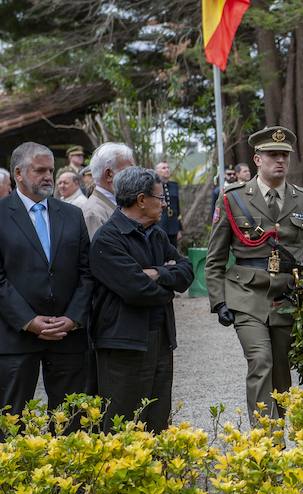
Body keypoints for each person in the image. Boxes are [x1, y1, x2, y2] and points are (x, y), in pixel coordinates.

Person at [206, 126, 303, 421]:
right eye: (272, 155)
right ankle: (264, 440)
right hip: (246, 294)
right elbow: (215, 256)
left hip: (286, 296)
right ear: (257, 159)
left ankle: (277, 434)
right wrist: (219, 300)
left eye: (284, 155)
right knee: (261, 360)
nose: (280, 160)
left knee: (282, 370)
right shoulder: (233, 198)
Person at [90, 167, 193, 433]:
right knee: (123, 420)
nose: (164, 204)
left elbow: (187, 271)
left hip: (160, 336)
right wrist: (168, 283)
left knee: (158, 415)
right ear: (141, 200)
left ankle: (158, 472)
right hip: (123, 343)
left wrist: (157, 273)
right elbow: (136, 290)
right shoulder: (108, 239)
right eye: (160, 198)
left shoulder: (157, 233)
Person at [0, 142, 92, 422]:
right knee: (12, 423)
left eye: (50, 170)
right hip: (16, 336)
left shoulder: (72, 215)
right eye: (40, 170)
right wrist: (29, 320)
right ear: (18, 173)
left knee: (70, 422)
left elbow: (87, 272)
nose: (48, 176)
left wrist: (73, 318)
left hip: (67, 336)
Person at [81, 142, 135, 239]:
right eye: (128, 171)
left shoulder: (117, 203)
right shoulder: (93, 213)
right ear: (109, 174)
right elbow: (100, 253)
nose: (134, 176)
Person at [155, 161, 182, 247]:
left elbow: (177, 208)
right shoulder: (154, 186)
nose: (167, 170)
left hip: (173, 226)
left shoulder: (174, 185)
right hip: (160, 225)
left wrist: (179, 228)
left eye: (168, 167)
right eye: (163, 168)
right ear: (157, 171)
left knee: (173, 253)